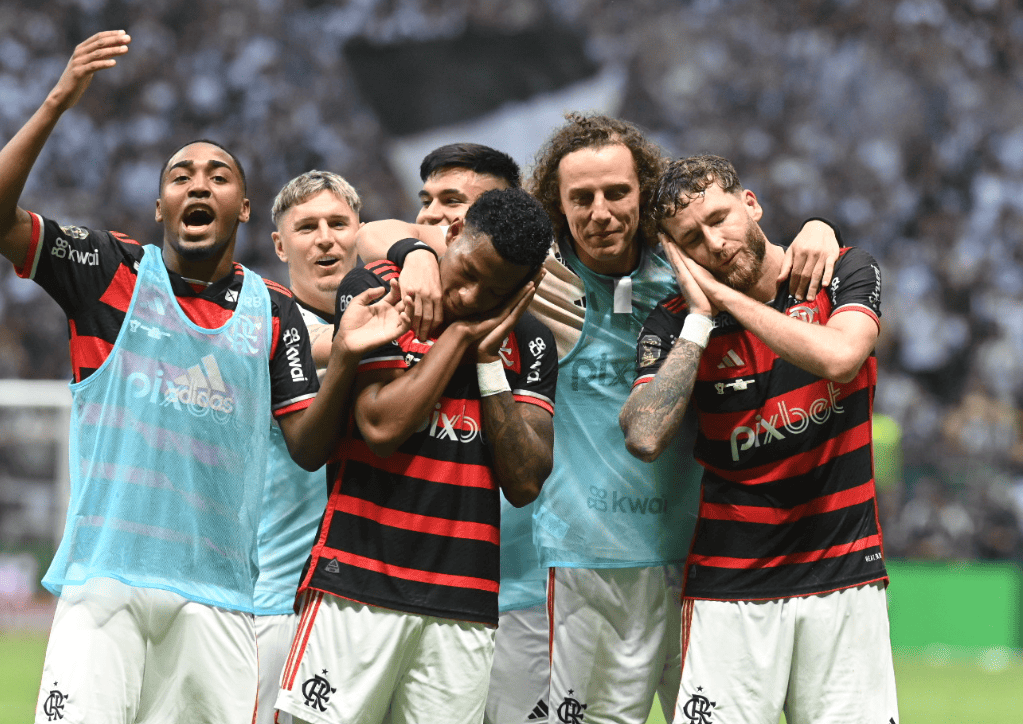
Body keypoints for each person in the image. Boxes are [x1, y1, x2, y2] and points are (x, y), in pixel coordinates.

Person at [0, 31, 408, 724]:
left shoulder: (275, 313)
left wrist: (345, 356)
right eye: (180, 175)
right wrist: (57, 101)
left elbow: (308, 447)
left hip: (219, 603)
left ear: (246, 209)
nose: (199, 181)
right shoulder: (108, 271)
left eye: (219, 175)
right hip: (104, 589)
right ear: (160, 207)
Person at [360, 121, 841, 723]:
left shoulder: (687, 271)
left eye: (617, 193)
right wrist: (416, 257)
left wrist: (820, 228)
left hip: (709, 560)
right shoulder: (535, 277)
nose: (601, 212)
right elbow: (372, 232)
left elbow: (767, 252)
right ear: (556, 206)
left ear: (643, 193)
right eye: (580, 198)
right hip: (592, 561)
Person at [620, 154, 897, 724]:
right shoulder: (674, 324)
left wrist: (729, 303)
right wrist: (701, 320)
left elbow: (842, 357)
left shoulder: (841, 271)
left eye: (719, 217)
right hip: (729, 587)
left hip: (845, 575)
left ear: (751, 204)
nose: (715, 244)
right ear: (676, 256)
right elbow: (644, 434)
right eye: (691, 239)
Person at [276, 187, 558, 724]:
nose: (471, 296)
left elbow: (524, 483)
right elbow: (380, 425)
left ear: (523, 290)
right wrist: (464, 339)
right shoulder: (377, 291)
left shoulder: (532, 342)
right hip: (356, 584)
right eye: (468, 271)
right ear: (450, 237)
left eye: (494, 291)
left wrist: (490, 362)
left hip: (465, 603)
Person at [355, 143, 552, 724]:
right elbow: (370, 229)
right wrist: (417, 253)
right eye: (428, 203)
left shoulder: (545, 281)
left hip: (522, 590)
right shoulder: (404, 290)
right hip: (400, 580)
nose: (437, 218)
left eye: (455, 204)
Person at [254, 170, 364, 724]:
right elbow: (310, 340)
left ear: (359, 233)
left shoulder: (392, 316)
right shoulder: (257, 317)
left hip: (364, 604)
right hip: (277, 599)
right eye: (306, 227)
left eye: (338, 223)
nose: (325, 238)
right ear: (280, 245)